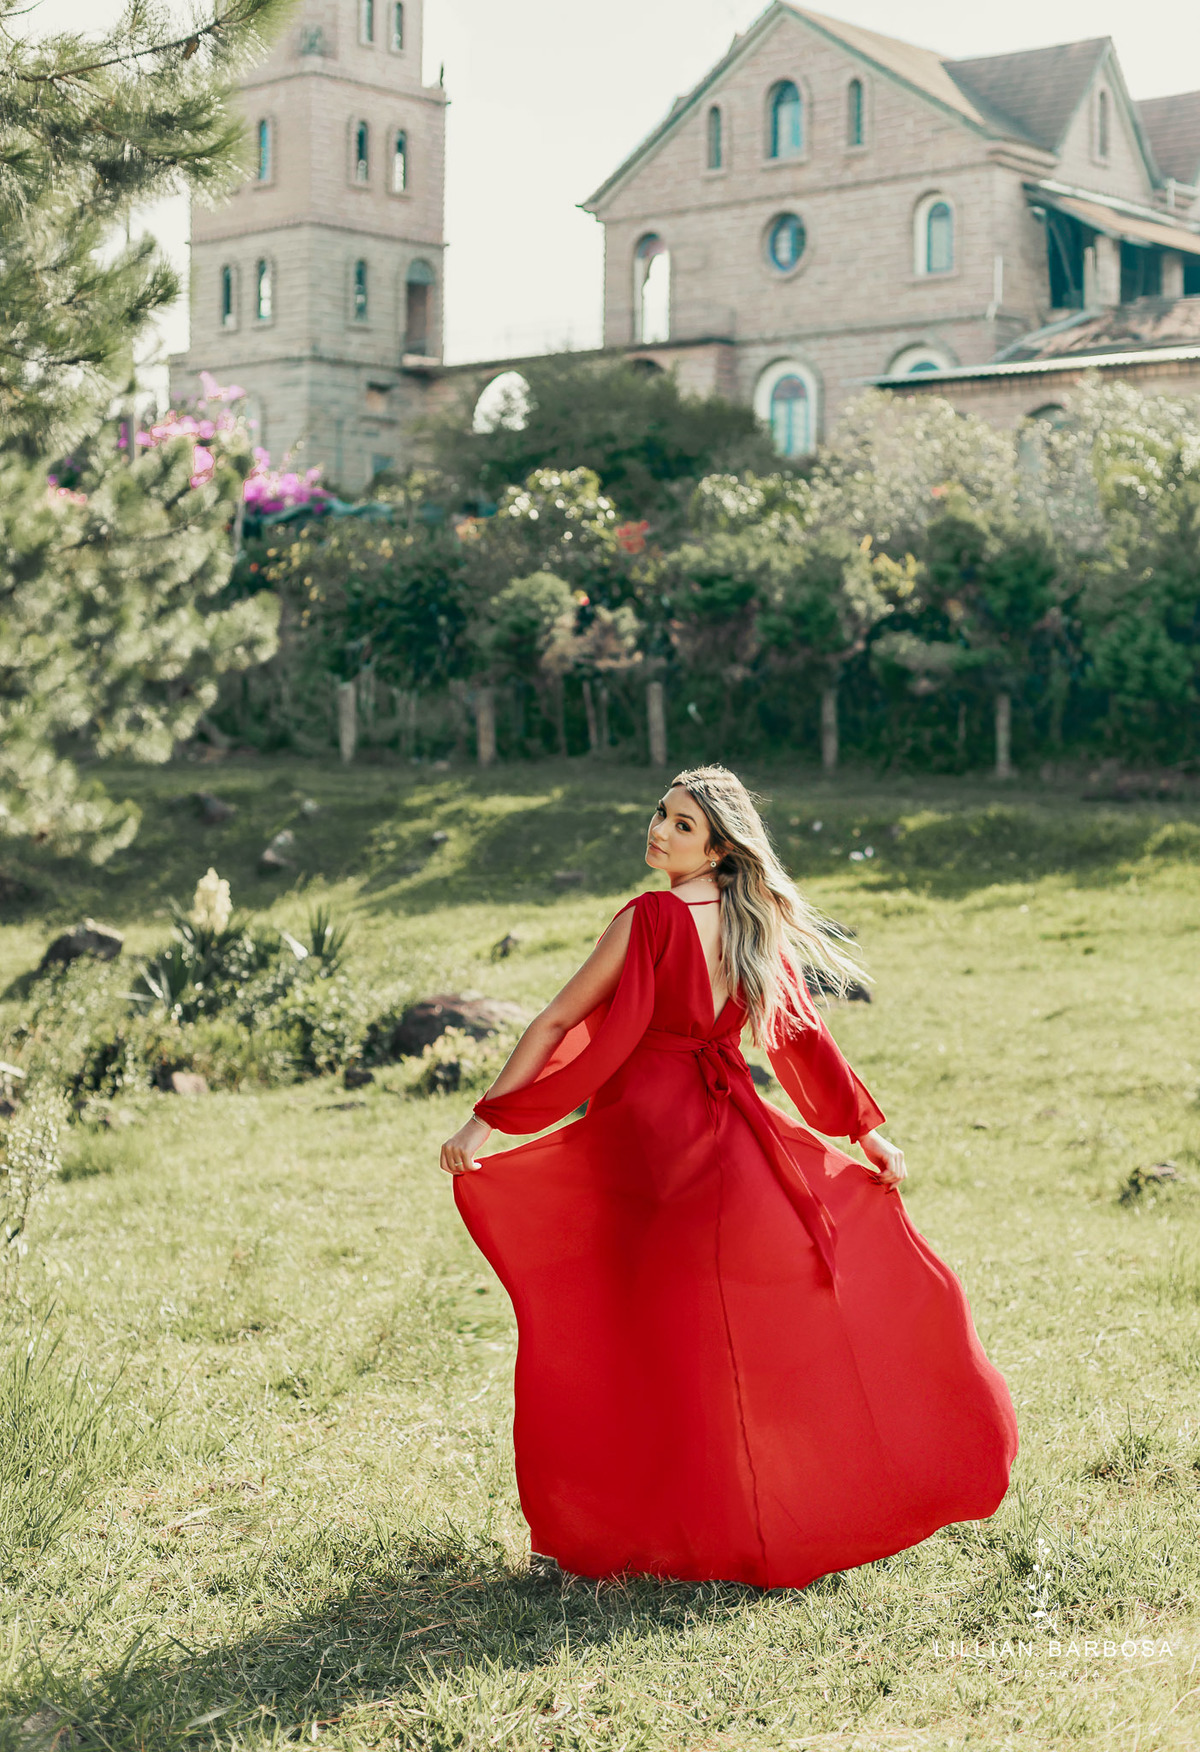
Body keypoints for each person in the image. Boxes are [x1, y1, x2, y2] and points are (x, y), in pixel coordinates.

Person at [440, 765, 1017, 1589]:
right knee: (721, 1338)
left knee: (639, 1333)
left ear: (718, 844)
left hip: (648, 1143)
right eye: (661, 815)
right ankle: (732, 1518)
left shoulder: (652, 917)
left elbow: (560, 1021)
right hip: (728, 1134)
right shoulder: (748, 918)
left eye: (681, 824)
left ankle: (655, 1529)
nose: (659, 830)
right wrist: (865, 1136)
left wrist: (485, 1123)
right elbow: (799, 1042)